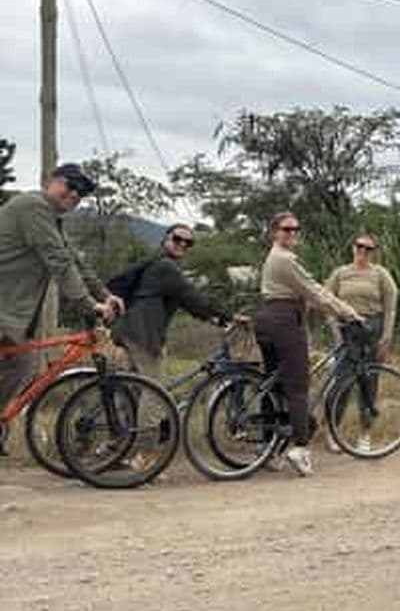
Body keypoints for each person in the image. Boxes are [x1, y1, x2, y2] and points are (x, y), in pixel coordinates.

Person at [0, 163, 121, 411]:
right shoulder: (33, 207)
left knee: (25, 365)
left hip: (12, 314)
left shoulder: (53, 220)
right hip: (5, 310)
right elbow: (60, 262)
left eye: (82, 192)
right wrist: (90, 305)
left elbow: (75, 261)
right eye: (71, 185)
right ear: (51, 180)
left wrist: (105, 295)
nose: (75, 194)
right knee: (23, 365)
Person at [255, 212, 361, 477]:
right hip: (285, 321)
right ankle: (301, 449)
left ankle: (268, 449)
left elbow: (309, 292)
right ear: (274, 232)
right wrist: (347, 312)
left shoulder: (273, 257)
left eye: (296, 229)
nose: (292, 233)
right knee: (298, 386)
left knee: (273, 385)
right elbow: (314, 290)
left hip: (267, 319)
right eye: (286, 229)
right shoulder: (285, 259)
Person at [111, 224, 233, 382]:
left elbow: (187, 303)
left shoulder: (157, 262)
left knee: (135, 386)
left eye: (188, 242)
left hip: (133, 331)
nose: (182, 244)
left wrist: (215, 319)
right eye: (177, 239)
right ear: (165, 240)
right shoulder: (166, 267)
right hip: (141, 336)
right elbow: (194, 298)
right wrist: (229, 316)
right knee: (152, 390)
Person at [324, 233, 398, 452]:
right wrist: (335, 330)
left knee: (369, 382)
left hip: (371, 329)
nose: (363, 252)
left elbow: (390, 307)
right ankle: (332, 431)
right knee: (342, 381)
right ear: (353, 248)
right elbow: (327, 300)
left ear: (373, 252)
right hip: (346, 329)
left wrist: (386, 337)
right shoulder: (340, 273)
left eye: (368, 249)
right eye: (359, 247)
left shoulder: (380, 274)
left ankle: (365, 432)